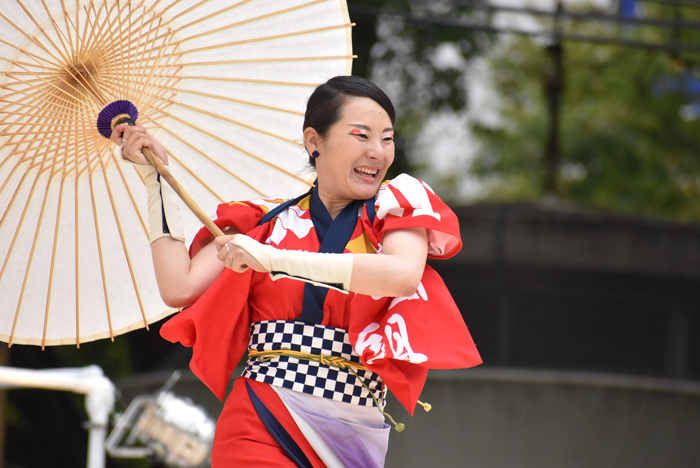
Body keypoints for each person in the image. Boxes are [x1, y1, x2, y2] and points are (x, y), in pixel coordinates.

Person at [113, 75, 481, 468]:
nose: (378, 151)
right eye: (361, 135)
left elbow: (401, 274)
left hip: (354, 432)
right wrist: (156, 180)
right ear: (313, 141)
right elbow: (179, 286)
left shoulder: (397, 208)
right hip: (261, 416)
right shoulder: (264, 222)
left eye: (387, 138)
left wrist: (273, 260)